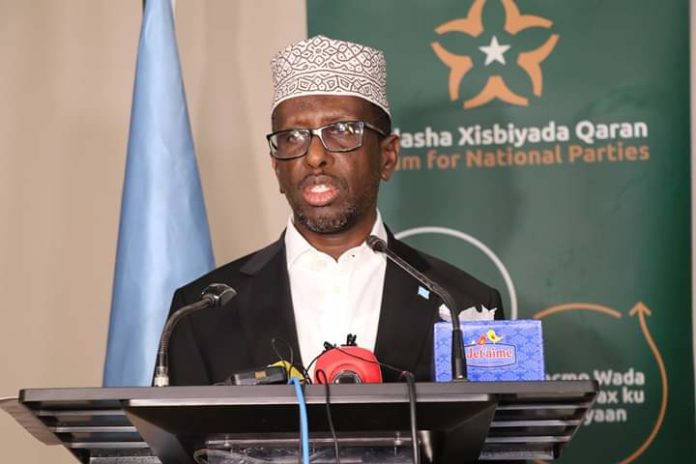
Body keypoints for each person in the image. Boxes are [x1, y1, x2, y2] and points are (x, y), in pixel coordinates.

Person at [166, 35, 503, 385]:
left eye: (342, 130)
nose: (314, 157)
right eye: (292, 137)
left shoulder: (464, 304)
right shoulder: (200, 313)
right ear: (276, 167)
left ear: (387, 156)